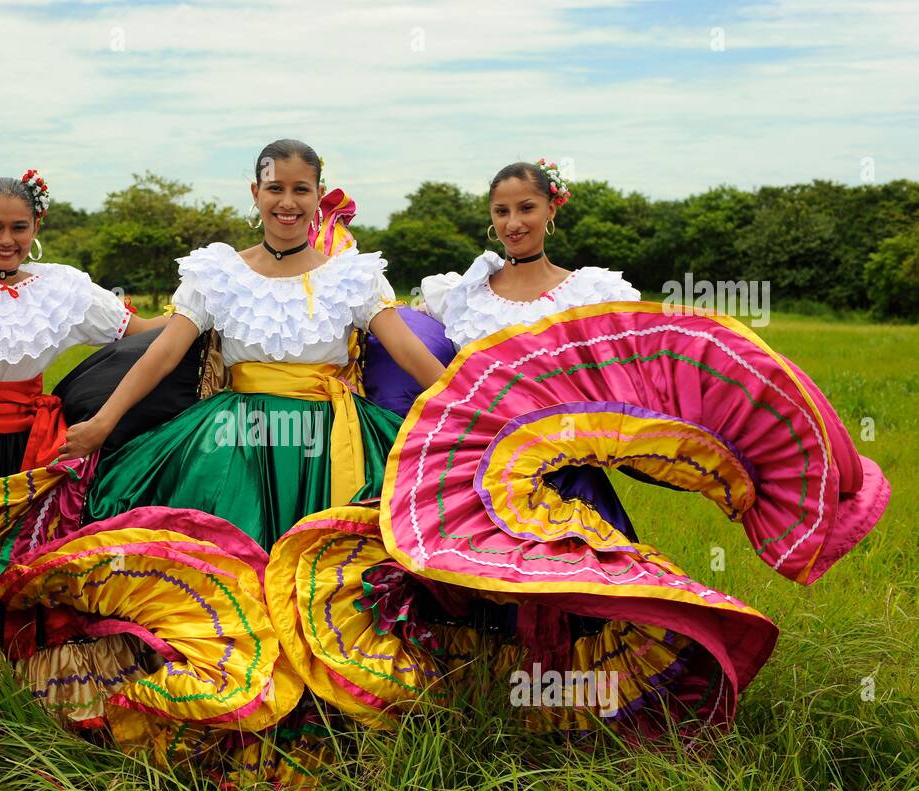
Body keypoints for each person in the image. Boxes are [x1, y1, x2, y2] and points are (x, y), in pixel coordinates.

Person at [0, 139, 449, 791]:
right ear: (255, 194)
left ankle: (336, 726)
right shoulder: (217, 273)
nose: (287, 201)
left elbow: (405, 346)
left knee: (327, 583)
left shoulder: (354, 275)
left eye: (300, 189)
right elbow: (161, 354)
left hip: (331, 447)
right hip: (233, 443)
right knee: (239, 579)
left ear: (318, 196)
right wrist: (104, 421)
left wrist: (471, 406)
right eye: (275, 188)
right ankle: (227, 717)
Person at [378, 159, 891, 737]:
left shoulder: (593, 291)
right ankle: (494, 706)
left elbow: (644, 370)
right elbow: (436, 370)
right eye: (502, 211)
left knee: (577, 592)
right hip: (481, 477)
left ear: (553, 208)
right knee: (487, 591)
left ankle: (575, 719)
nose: (515, 222)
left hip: (571, 476)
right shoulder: (461, 294)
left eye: (526, 208)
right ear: (491, 220)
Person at [0, 170, 196, 651]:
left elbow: (147, 333)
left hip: (31, 446)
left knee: (20, 562)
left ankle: (17, 660)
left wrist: (203, 308)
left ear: (37, 226)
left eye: (18, 227)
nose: (5, 240)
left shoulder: (60, 289)